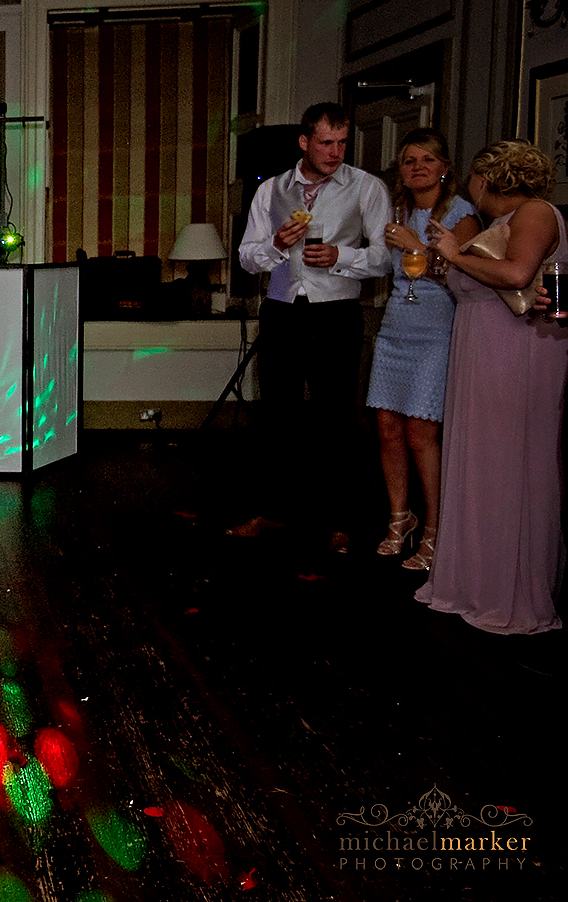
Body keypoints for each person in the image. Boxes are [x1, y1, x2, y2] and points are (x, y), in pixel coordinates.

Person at [416, 139, 567, 634]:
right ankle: (475, 581)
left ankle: (509, 590)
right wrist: (443, 261)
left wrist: (454, 255)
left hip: (516, 355)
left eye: (473, 180)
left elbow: (518, 273)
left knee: (510, 462)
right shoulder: (497, 225)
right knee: (481, 463)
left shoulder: (535, 213)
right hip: (482, 355)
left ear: (489, 179)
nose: (469, 190)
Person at [233, 102, 391, 553]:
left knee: (335, 418)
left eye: (342, 143)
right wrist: (277, 246)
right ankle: (272, 512)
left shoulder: (367, 187)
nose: (335, 151)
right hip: (282, 310)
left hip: (336, 314)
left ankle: (339, 521)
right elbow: (247, 256)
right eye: (326, 142)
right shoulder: (272, 190)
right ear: (304, 142)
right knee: (278, 414)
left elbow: (384, 257)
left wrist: (343, 258)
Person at [365, 129, 478, 569]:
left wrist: (418, 248)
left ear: (444, 166)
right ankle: (400, 517)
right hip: (396, 326)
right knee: (387, 429)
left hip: (437, 329)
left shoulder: (462, 214)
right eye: (409, 161)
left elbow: (466, 276)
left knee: (421, 434)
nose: (417, 167)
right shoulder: (398, 210)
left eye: (427, 160)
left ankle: (436, 528)